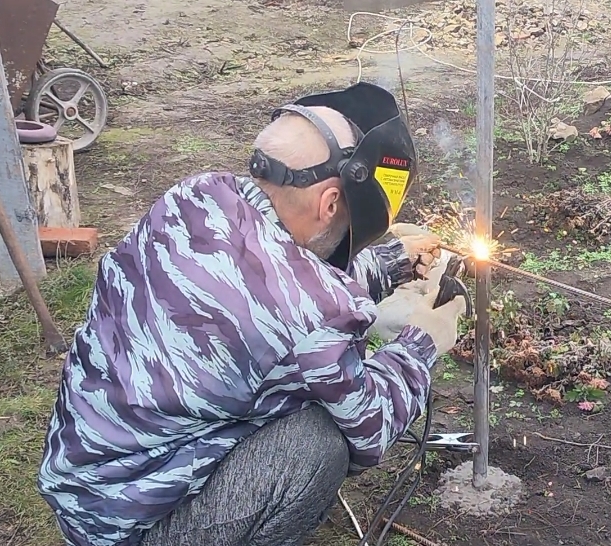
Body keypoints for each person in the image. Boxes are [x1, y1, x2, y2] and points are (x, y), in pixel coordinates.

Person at [36, 82, 469, 546]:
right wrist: (422, 342)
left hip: (85, 487)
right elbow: (372, 425)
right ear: (329, 203)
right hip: (134, 530)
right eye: (345, 222)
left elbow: (277, 278)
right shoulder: (312, 319)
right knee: (318, 444)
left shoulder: (193, 197)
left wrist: (388, 263)